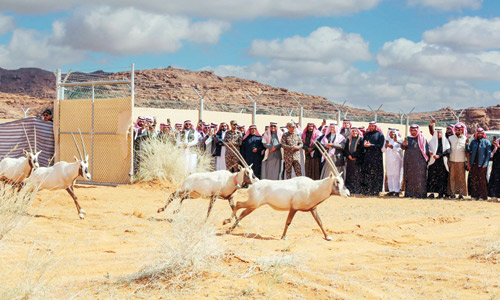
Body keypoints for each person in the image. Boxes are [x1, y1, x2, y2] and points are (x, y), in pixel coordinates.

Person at [402, 124, 429, 198]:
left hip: (419, 163)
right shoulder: (408, 138)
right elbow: (403, 147)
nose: (413, 132)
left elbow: (426, 151)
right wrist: (404, 144)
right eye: (412, 130)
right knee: (410, 178)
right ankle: (410, 194)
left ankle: (420, 194)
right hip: (409, 162)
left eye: (415, 130)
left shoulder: (423, 139)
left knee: (419, 178)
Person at [361, 122, 385, 196]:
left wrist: (371, 145)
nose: (371, 127)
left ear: (375, 127)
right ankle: (367, 190)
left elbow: (380, 145)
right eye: (370, 126)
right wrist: (364, 145)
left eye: (372, 126)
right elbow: (362, 144)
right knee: (367, 172)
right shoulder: (366, 134)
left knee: (376, 174)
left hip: (376, 157)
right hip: (367, 157)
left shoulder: (380, 135)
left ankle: (376, 190)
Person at [467, 128, 492, 200]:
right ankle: (474, 196)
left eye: (481, 133)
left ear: (483, 134)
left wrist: (486, 163)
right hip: (474, 164)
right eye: (478, 133)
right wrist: (466, 145)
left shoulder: (486, 142)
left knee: (482, 180)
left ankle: (483, 196)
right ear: (476, 134)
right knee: (474, 180)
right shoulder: (473, 142)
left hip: (482, 164)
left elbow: (488, 154)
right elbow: (469, 150)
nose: (480, 134)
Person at [427, 128, 451, 198]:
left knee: (442, 178)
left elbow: (448, 151)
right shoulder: (432, 141)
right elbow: (428, 149)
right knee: (432, 178)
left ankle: (441, 193)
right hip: (433, 162)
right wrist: (430, 153)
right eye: (437, 133)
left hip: (442, 162)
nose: (439, 134)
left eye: (440, 133)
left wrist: (440, 155)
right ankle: (432, 193)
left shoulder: (445, 141)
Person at [448, 123, 468, 199]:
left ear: (462, 130)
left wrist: (467, 162)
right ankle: (452, 193)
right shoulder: (450, 138)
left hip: (461, 161)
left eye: (459, 129)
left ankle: (461, 194)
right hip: (452, 160)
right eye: (456, 129)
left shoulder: (465, 138)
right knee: (452, 178)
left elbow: (467, 152)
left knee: (461, 178)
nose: (457, 131)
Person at [383, 128, 403, 197]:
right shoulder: (386, 140)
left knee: (396, 175)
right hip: (389, 160)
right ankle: (391, 190)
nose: (392, 134)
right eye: (391, 133)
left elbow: (400, 149)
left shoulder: (399, 140)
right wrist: (386, 146)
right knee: (390, 175)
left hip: (397, 160)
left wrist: (393, 147)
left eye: (394, 133)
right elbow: (383, 150)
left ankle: (397, 191)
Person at [345, 127, 364, 194]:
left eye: (356, 132)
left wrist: (354, 156)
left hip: (357, 159)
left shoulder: (360, 139)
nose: (354, 133)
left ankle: (357, 189)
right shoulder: (348, 139)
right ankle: (349, 189)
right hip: (349, 160)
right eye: (353, 132)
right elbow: (346, 148)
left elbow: (361, 149)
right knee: (349, 174)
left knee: (357, 175)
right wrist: (349, 156)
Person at [488, 137, 500, 202]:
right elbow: (493, 151)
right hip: (496, 164)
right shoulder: (498, 140)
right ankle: (494, 196)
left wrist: (498, 146)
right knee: (495, 180)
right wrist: (493, 145)